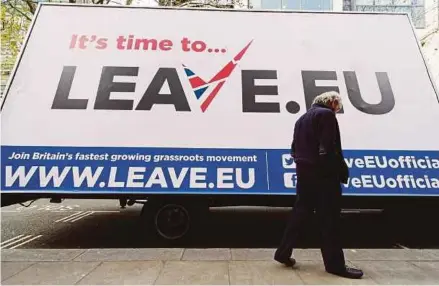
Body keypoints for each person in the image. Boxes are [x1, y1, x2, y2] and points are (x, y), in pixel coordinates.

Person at [274, 91, 364, 279]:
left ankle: (283, 253)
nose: (337, 111)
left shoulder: (301, 119)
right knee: (329, 220)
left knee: (300, 213)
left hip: (304, 174)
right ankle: (335, 265)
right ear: (331, 102)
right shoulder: (326, 115)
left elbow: (293, 150)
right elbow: (327, 148)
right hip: (323, 176)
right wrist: (335, 172)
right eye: (337, 107)